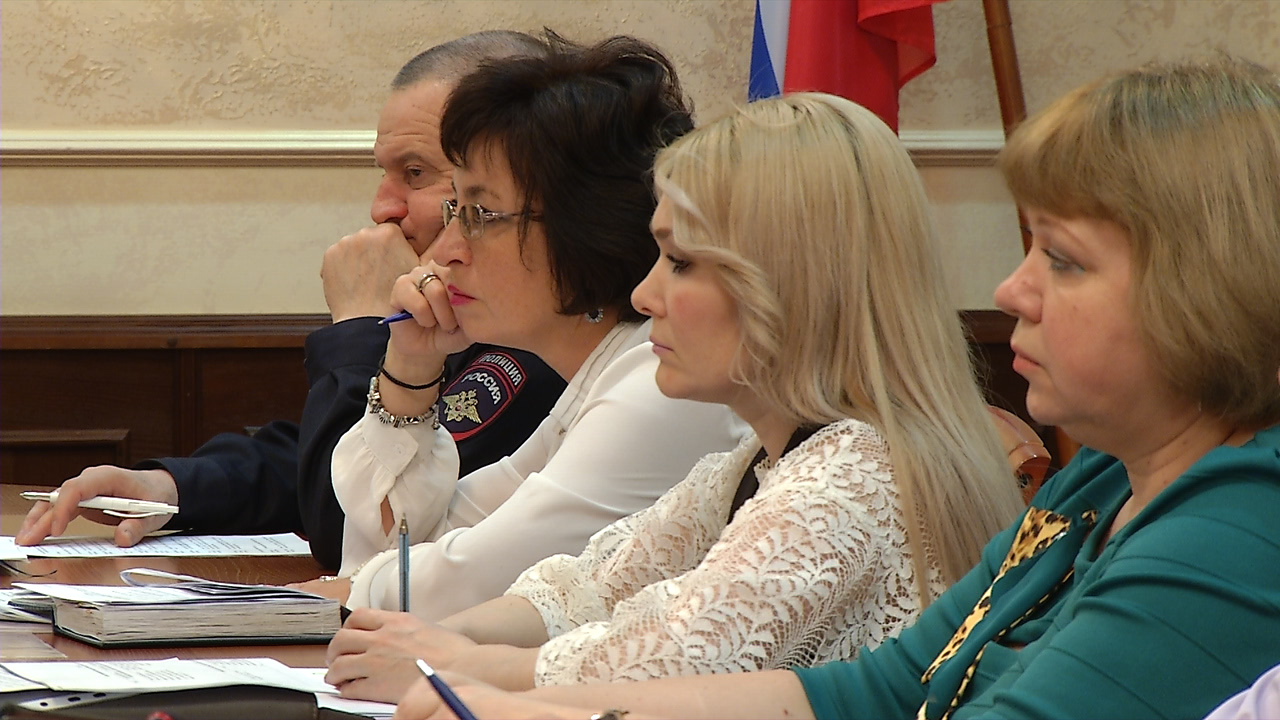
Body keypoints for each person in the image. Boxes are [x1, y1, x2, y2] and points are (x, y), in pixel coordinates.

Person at [392, 55, 1280, 720]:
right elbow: (878, 691)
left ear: (1210, 286)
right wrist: (498, 692)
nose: (1012, 291)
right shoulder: (1105, 480)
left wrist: (494, 688)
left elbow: (679, 653)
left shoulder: (1237, 529)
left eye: (1064, 259)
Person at [323, 91, 1025, 704]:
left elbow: (670, 660)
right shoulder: (757, 462)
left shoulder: (850, 476)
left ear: (790, 284)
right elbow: (585, 587)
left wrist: (445, 658)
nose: (643, 293)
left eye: (681, 263)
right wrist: (434, 639)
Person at [14, 31, 566, 572]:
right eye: (384, 173)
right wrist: (169, 487)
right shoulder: (455, 305)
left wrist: (360, 326)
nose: (381, 208)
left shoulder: (536, 338)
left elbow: (352, 525)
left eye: (415, 173)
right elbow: (327, 457)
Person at [305, 32, 749, 624]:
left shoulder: (661, 386)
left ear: (582, 231)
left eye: (480, 214)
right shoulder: (601, 375)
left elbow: (444, 588)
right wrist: (410, 366)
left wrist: (342, 590)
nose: (449, 248)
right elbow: (398, 548)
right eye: (455, 210)